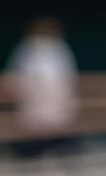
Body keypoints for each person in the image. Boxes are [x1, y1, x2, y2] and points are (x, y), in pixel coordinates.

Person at [6, 16, 79, 163]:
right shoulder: (27, 49)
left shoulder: (59, 49)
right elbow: (15, 78)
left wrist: (66, 97)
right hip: (34, 102)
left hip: (56, 102)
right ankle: (31, 160)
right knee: (35, 133)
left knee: (58, 132)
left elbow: (67, 77)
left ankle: (61, 160)